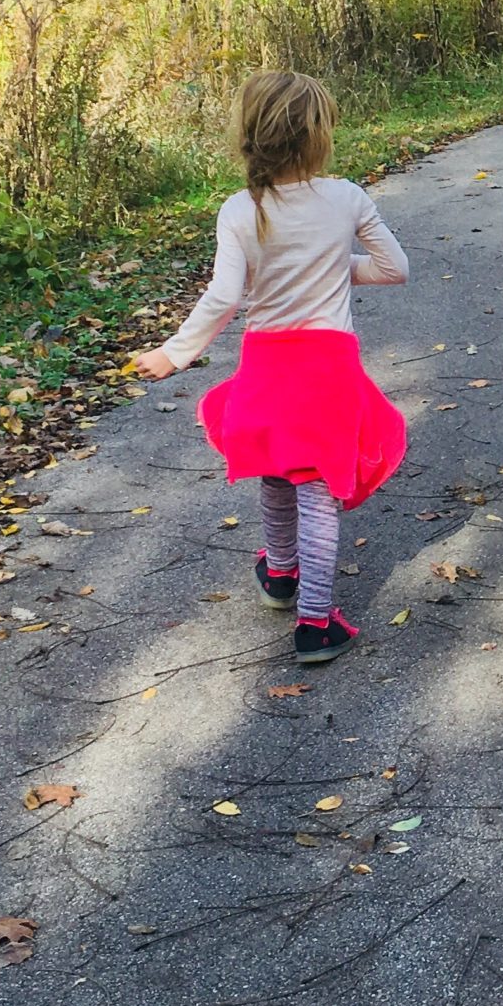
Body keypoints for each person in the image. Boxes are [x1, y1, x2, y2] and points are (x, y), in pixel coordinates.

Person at [133, 72, 408, 659]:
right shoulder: (347, 198)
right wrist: (335, 264)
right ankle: (315, 623)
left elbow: (223, 298)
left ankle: (281, 574)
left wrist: (174, 353)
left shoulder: (240, 209)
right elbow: (393, 268)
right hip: (327, 366)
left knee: (277, 469)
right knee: (320, 486)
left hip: (267, 362)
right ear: (318, 137)